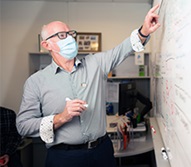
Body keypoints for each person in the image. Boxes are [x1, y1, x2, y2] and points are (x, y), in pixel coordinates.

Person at [16, 4, 160, 167]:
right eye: (62, 35)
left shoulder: (95, 64)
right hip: (63, 158)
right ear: (47, 45)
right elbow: (23, 126)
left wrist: (144, 31)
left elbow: (123, 50)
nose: (70, 38)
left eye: (71, 34)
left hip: (102, 152)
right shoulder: (36, 82)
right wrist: (61, 118)